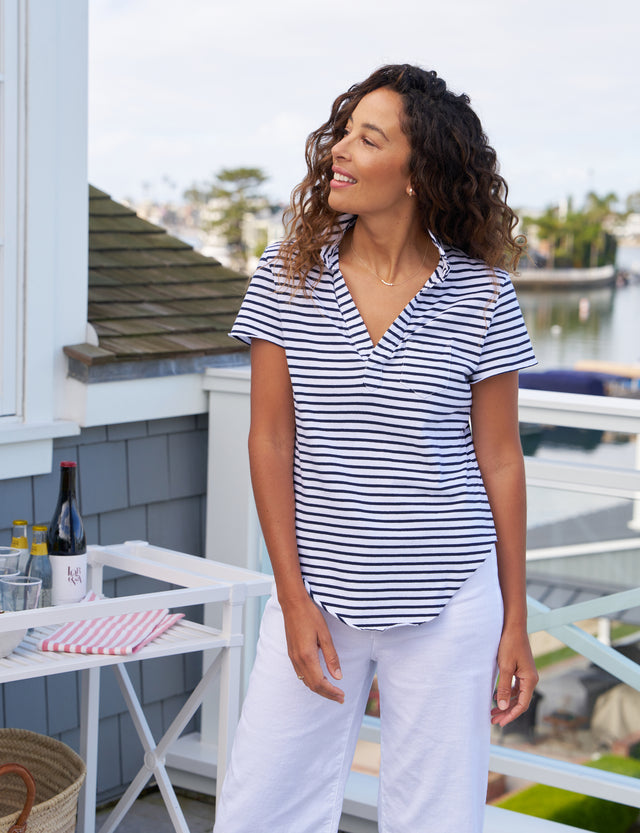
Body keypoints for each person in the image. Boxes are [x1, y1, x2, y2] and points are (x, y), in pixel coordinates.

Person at [213, 64, 539, 833]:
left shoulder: (484, 294)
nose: (340, 149)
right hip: (319, 593)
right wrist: (292, 598)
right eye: (344, 132)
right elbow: (270, 438)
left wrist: (515, 619)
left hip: (448, 597)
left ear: (418, 172)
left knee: (435, 818)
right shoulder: (286, 275)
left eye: (369, 137)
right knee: (262, 808)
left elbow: (500, 460)